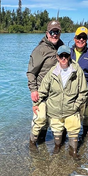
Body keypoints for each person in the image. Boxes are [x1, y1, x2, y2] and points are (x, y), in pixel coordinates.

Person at [32, 45, 88, 158]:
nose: (63, 58)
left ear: (69, 56)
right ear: (57, 57)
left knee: (73, 134)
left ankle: (74, 153)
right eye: (61, 55)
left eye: (66, 55)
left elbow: (84, 91)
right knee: (57, 141)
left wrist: (76, 105)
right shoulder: (52, 72)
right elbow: (42, 90)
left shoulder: (77, 71)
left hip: (71, 110)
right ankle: (57, 149)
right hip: (54, 111)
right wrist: (35, 104)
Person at [27, 20, 64, 148]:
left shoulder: (61, 47)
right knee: (40, 119)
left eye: (57, 32)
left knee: (53, 122)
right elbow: (31, 72)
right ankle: (32, 147)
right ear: (47, 33)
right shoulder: (40, 50)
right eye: (52, 32)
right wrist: (33, 90)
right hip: (41, 92)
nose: (55, 35)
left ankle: (46, 148)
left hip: (56, 93)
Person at [70, 27, 88, 140]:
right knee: (69, 116)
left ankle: (84, 139)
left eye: (84, 38)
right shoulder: (68, 52)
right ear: (74, 38)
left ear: (86, 39)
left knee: (85, 115)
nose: (81, 40)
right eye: (79, 37)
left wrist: (87, 87)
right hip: (69, 92)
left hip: (84, 92)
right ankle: (65, 140)